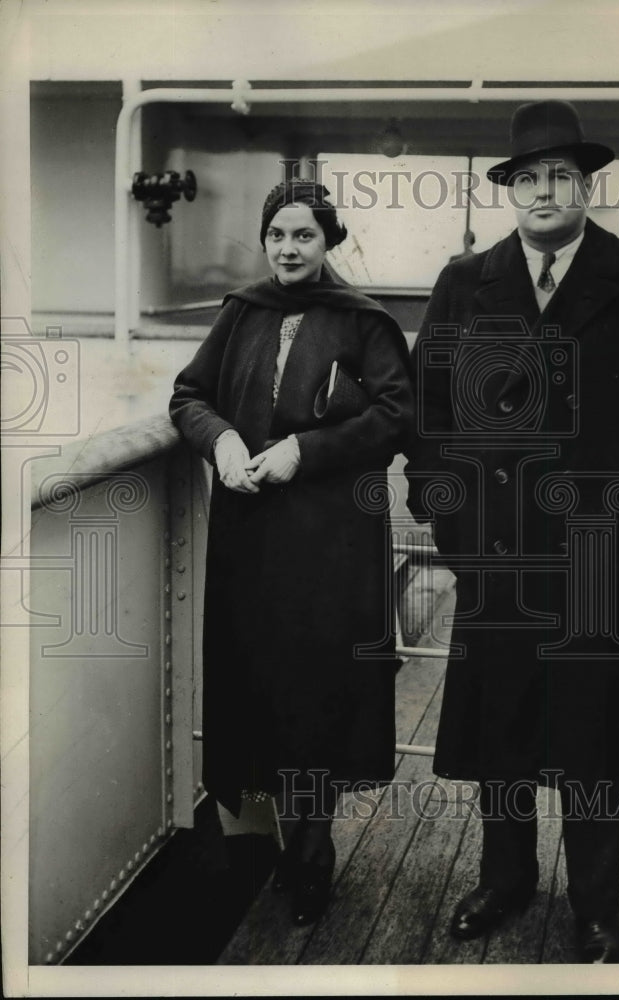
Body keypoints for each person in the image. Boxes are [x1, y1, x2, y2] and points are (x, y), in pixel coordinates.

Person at [406, 100, 619, 962]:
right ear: (510, 190)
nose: (545, 191)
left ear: (588, 187)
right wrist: (448, 514)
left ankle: (595, 906)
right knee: (500, 728)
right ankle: (506, 879)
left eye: (562, 177)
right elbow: (426, 410)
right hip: (496, 554)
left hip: (597, 557)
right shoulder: (465, 282)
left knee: (591, 737)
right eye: (528, 178)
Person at [169, 179, 414, 926]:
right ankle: (270, 846)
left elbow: (397, 413)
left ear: (329, 241)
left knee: (318, 693)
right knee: (260, 683)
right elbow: (188, 395)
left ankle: (313, 854)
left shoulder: (363, 320)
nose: (287, 248)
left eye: (303, 235)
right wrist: (226, 439)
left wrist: (304, 451)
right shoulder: (243, 312)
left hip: (331, 544)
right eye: (277, 234)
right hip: (251, 543)